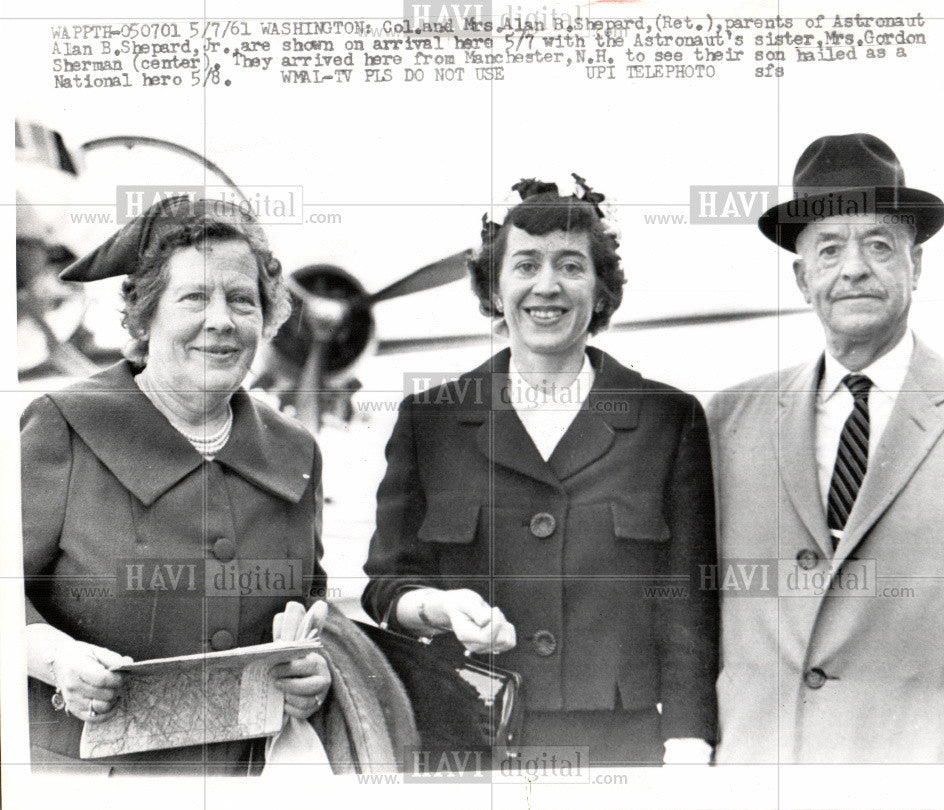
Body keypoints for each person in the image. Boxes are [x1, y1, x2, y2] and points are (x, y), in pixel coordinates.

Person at [362, 177, 719, 767]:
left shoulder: (667, 419)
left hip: (621, 753)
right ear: (495, 290)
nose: (546, 286)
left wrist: (688, 746)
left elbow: (689, 606)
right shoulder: (431, 420)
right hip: (466, 743)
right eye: (525, 264)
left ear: (601, 292)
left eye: (571, 266)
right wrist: (442, 607)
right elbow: (386, 587)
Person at [22, 196, 332, 775]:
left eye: (243, 300)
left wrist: (313, 667)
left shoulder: (295, 451)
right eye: (194, 298)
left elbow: (312, 602)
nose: (221, 320)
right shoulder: (62, 427)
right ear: (145, 316)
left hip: (247, 780)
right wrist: (56, 658)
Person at [708, 133, 944, 763]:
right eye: (829, 249)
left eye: (879, 245)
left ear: (917, 267)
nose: (853, 267)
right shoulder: (726, 421)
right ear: (804, 279)